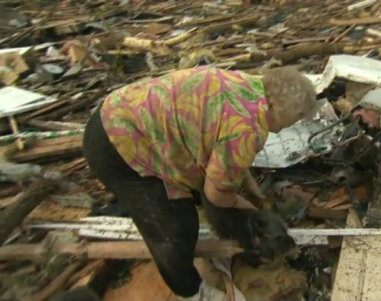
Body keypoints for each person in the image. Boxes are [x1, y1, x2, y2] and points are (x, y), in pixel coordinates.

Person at [83, 65, 317, 299]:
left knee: (206, 195)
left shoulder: (249, 86)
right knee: (176, 229)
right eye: (295, 117)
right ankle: (193, 293)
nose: (293, 124)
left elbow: (220, 138)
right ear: (275, 105)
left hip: (118, 110)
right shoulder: (247, 131)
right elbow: (217, 196)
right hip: (117, 145)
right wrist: (252, 210)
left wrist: (244, 179)